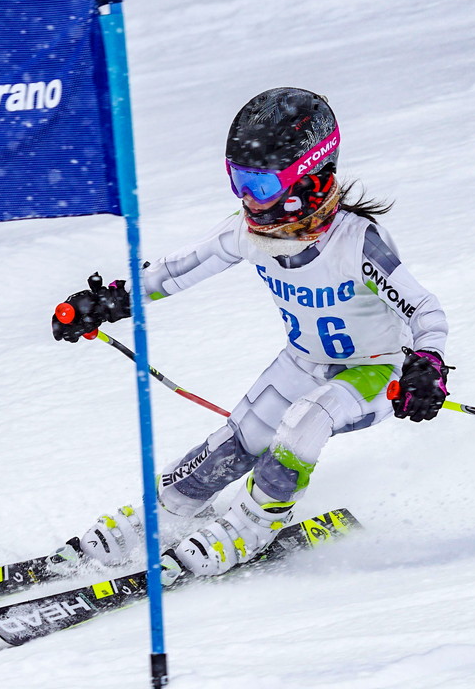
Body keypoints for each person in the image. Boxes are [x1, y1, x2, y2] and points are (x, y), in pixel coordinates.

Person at [50, 87, 450, 578]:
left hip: (375, 372)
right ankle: (166, 513)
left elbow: (426, 310)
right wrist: (111, 301)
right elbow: (173, 271)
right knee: (241, 438)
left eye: (260, 186)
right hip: (302, 362)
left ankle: (253, 525)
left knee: (307, 419)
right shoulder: (247, 233)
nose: (246, 199)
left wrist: (425, 367)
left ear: (307, 179)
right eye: (239, 181)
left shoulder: (355, 242)